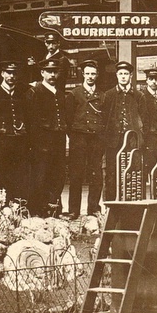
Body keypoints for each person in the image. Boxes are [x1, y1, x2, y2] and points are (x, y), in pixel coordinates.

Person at [25, 59, 68, 215]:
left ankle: (54, 208)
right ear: (42, 72)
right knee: (41, 176)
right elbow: (31, 120)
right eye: (49, 71)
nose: (52, 74)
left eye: (55, 71)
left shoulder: (61, 94)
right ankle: (39, 210)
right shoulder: (35, 92)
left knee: (58, 175)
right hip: (41, 142)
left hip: (58, 141)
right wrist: (35, 143)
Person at [0, 61, 29, 203]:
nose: (11, 76)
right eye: (8, 72)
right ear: (2, 74)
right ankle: (2, 204)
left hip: (20, 139)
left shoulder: (23, 92)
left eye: (14, 73)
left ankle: (17, 204)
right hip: (1, 140)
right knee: (1, 172)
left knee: (19, 173)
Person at [101, 61, 145, 202]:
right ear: (116, 75)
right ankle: (110, 204)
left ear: (131, 76)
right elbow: (104, 117)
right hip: (113, 141)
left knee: (132, 172)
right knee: (111, 173)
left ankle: (131, 202)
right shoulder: (109, 95)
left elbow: (144, 120)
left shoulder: (138, 96)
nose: (123, 77)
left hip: (132, 142)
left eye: (126, 74)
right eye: (120, 74)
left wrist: (139, 138)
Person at [65, 59, 104, 217]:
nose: (90, 76)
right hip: (79, 139)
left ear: (97, 75)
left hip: (96, 139)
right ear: (83, 74)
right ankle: (74, 210)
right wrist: (74, 136)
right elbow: (68, 119)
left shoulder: (102, 95)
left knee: (96, 174)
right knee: (76, 174)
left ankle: (93, 208)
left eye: (93, 74)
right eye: (87, 73)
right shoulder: (74, 94)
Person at [140, 67, 157, 184]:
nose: (154, 82)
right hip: (148, 137)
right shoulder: (142, 97)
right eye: (151, 79)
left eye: (156, 79)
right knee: (148, 164)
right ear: (147, 81)